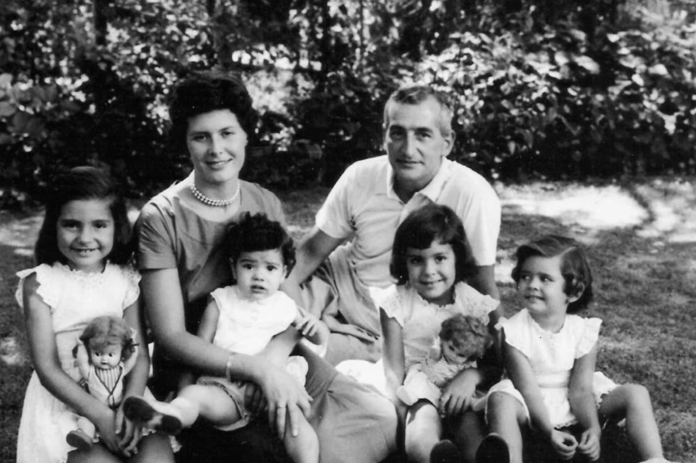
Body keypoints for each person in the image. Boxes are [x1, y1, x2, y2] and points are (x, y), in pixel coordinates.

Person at [133, 70, 397, 463]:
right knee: (269, 449)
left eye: (227, 133)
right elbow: (170, 336)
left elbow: (288, 302)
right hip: (207, 368)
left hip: (278, 349)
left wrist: (277, 357)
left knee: (377, 418)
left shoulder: (264, 202)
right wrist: (256, 370)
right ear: (185, 142)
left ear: (245, 136)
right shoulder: (161, 217)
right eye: (201, 137)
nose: (216, 149)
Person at [285, 84, 502, 365]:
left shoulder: (472, 193)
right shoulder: (360, 175)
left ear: (447, 142)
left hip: (400, 320)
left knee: (323, 360)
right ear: (384, 136)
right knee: (267, 317)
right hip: (338, 287)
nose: (408, 149)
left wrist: (498, 363)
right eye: (398, 133)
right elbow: (310, 253)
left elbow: (482, 285)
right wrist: (291, 310)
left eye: (423, 134)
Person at [125, 212, 326, 463]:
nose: (259, 275)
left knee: (300, 433)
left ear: (284, 272)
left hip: (273, 392)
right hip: (225, 389)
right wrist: (184, 389)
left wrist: (315, 326)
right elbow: (198, 351)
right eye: (248, 266)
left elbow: (319, 338)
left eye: (270, 268)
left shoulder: (285, 305)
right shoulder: (221, 302)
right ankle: (171, 416)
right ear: (233, 267)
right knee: (195, 397)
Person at [15, 166, 173, 463]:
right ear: (53, 225)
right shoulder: (42, 283)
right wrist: (100, 415)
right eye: (71, 225)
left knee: (157, 458)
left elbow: (139, 353)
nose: (85, 237)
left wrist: (131, 404)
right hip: (67, 399)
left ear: (116, 227)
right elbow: (47, 367)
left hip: (122, 390)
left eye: (99, 225)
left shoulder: (125, 278)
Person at [479, 235, 679, 463]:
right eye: (525, 276)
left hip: (573, 399)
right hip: (529, 402)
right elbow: (528, 391)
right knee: (501, 400)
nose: (532, 284)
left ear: (574, 292)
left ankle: (654, 458)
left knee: (636, 393)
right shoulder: (513, 331)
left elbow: (581, 389)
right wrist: (549, 432)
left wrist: (593, 428)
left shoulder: (582, 330)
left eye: (545, 278)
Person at [379, 204, 499, 463]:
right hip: (418, 384)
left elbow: (493, 365)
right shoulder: (396, 302)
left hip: (460, 387)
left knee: (469, 425)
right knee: (421, 424)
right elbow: (393, 371)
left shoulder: (473, 303)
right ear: (403, 261)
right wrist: (400, 412)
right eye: (416, 260)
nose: (429, 271)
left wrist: (470, 376)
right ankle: (435, 456)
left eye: (440, 258)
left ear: (457, 256)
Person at [68, 316, 140, 450]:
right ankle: (84, 436)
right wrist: (81, 346)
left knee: (124, 425)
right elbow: (82, 362)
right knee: (86, 422)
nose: (104, 359)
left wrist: (133, 343)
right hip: (96, 410)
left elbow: (132, 360)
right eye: (98, 354)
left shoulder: (120, 369)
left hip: (118, 408)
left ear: (121, 353)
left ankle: (129, 445)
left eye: (111, 355)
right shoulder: (91, 372)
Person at [396, 313, 492, 409]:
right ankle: (411, 394)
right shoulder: (439, 355)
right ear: (443, 340)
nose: (453, 355)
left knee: (464, 394)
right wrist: (437, 346)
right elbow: (434, 353)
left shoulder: (464, 366)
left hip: (448, 388)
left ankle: (475, 403)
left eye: (461, 355)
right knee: (418, 378)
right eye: (451, 348)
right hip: (431, 380)